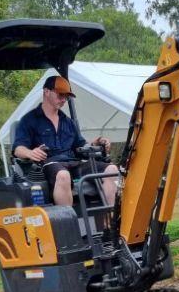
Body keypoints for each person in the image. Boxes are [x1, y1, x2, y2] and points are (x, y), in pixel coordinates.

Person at [12, 75, 118, 207]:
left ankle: (110, 221)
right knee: (63, 175)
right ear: (46, 92)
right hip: (49, 165)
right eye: (60, 95)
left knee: (112, 170)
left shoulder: (68, 122)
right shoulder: (29, 120)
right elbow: (18, 149)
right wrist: (30, 153)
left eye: (66, 97)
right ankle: (68, 222)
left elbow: (80, 146)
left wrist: (95, 144)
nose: (63, 100)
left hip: (74, 163)